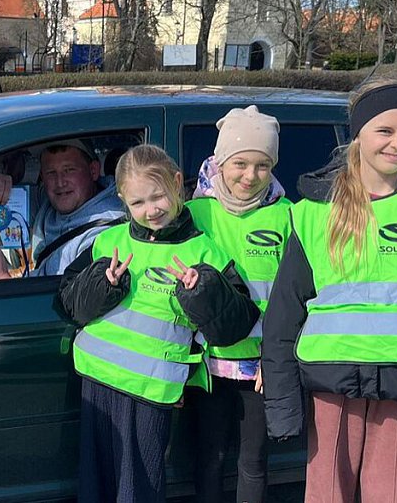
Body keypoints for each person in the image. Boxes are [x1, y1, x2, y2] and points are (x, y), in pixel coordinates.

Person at [262, 79, 397, 503]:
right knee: (327, 495)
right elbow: (283, 317)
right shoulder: (313, 212)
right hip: (331, 384)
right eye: (385, 130)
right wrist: (283, 403)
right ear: (359, 132)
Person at [57, 144, 260, 501]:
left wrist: (202, 291)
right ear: (123, 200)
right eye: (138, 203)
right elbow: (68, 302)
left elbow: (238, 322)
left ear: (177, 184)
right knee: (96, 484)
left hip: (150, 393)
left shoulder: (203, 250)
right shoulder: (109, 240)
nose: (150, 210)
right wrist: (105, 284)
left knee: (139, 487)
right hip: (98, 382)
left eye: (158, 197)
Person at [185, 105, 290, 503]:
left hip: (259, 367)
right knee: (209, 458)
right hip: (206, 366)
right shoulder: (195, 213)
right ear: (221, 161)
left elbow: (294, 297)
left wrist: (276, 358)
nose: (250, 176)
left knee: (253, 463)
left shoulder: (287, 216)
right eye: (240, 164)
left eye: (263, 165)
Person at [0, 139, 125, 279]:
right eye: (51, 172)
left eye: (69, 170)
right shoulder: (48, 199)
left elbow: (64, 295)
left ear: (93, 171)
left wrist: (0, 279)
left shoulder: (105, 234)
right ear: (42, 176)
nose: (60, 182)